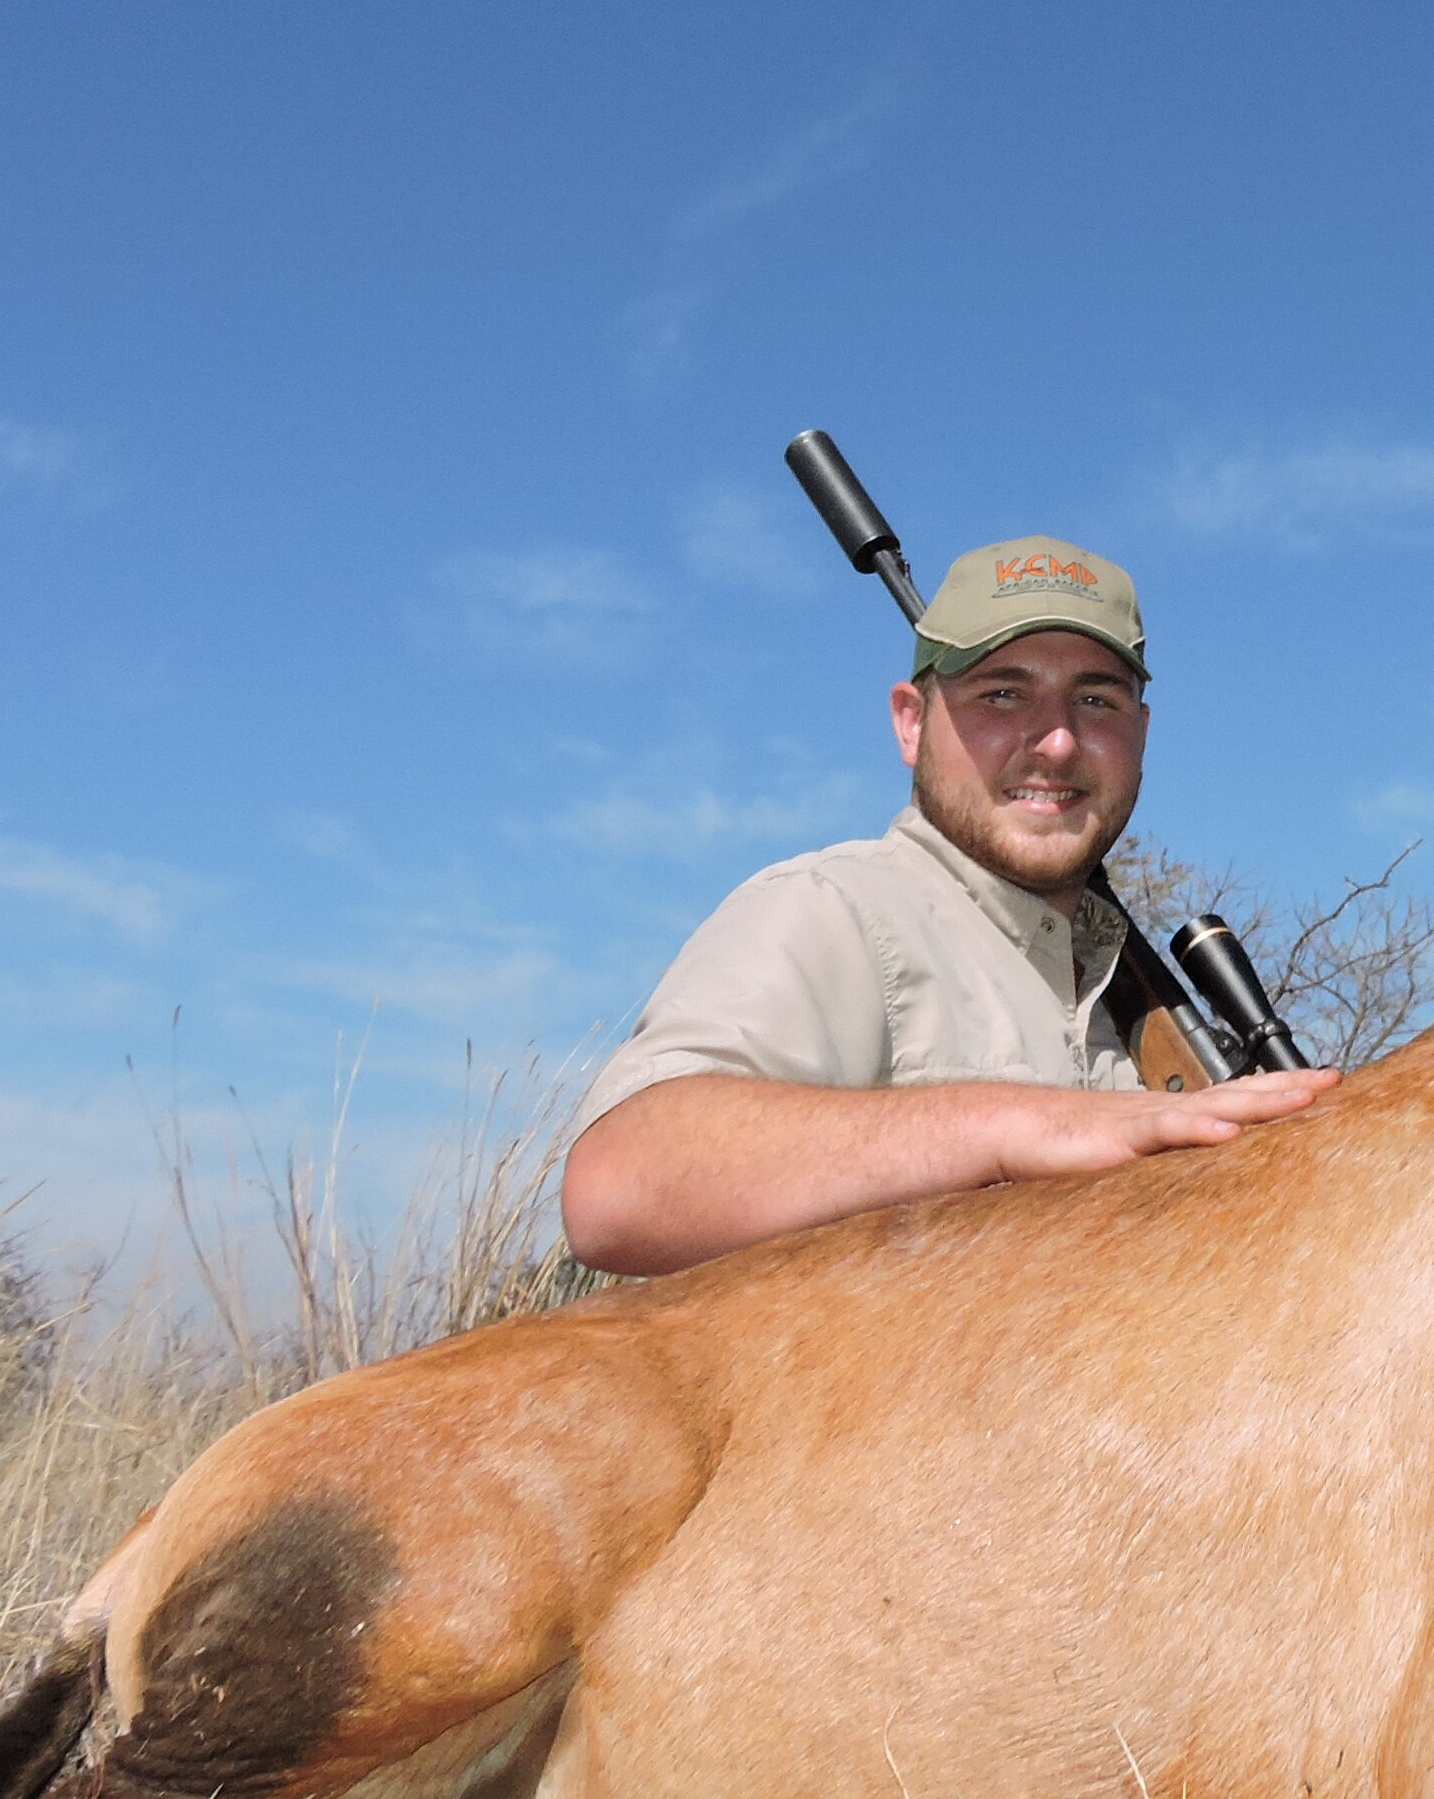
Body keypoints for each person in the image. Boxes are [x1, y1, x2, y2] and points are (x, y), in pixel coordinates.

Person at [556, 533, 1325, 1277]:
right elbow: (619, 1185)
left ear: (1142, 733)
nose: (1057, 741)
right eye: (1002, 694)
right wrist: (1019, 1125)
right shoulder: (834, 908)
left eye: (1096, 699)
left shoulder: (1128, 994)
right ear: (910, 722)